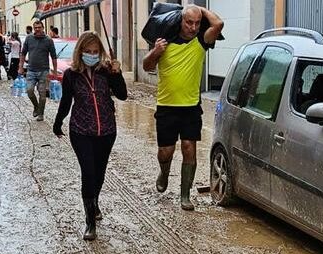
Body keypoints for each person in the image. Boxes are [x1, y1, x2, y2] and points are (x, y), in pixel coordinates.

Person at [142, 5, 223, 210]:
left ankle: (185, 195)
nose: (193, 27)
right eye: (189, 22)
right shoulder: (165, 43)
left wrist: (201, 9)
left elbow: (219, 24)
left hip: (191, 107)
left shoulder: (201, 41)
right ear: (180, 21)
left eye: (197, 23)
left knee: (189, 148)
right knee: (165, 152)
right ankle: (164, 171)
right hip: (167, 106)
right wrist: (155, 52)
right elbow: (146, 66)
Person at [53, 31, 127, 240]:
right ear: (80, 52)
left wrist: (117, 73)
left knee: (100, 172)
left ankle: (94, 201)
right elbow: (66, 101)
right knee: (88, 172)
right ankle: (90, 222)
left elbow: (122, 95)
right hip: (81, 131)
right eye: (88, 51)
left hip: (106, 131)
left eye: (96, 52)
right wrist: (57, 123)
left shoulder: (106, 72)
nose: (92, 55)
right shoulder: (71, 75)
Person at [18, 20, 58, 121]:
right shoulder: (29, 38)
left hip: (43, 71)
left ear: (43, 28)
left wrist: (55, 71)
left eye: (39, 27)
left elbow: (53, 57)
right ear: (33, 28)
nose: (37, 29)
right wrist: (20, 67)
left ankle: (41, 113)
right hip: (31, 70)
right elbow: (23, 54)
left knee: (42, 95)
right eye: (35, 28)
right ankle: (36, 106)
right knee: (29, 90)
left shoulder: (48, 40)